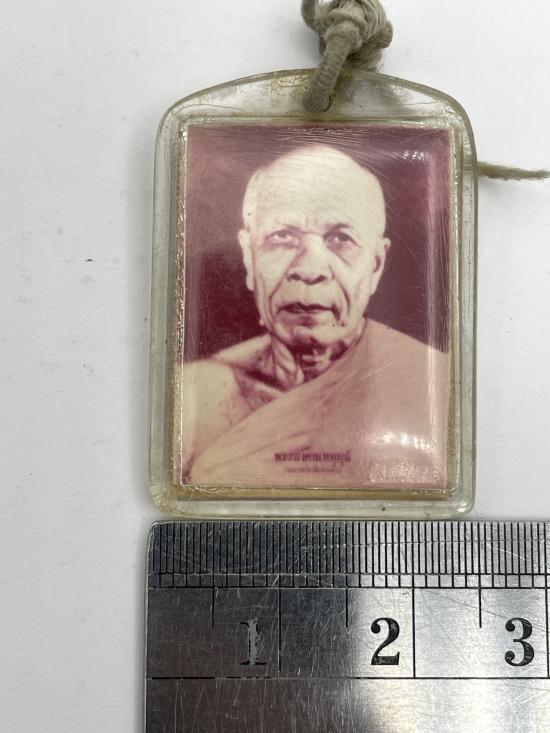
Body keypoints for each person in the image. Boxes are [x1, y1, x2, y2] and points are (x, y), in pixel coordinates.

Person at [173, 144, 450, 490]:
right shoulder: (193, 395)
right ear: (249, 258)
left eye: (341, 238)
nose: (309, 269)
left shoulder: (432, 383)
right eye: (282, 237)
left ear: (376, 266)